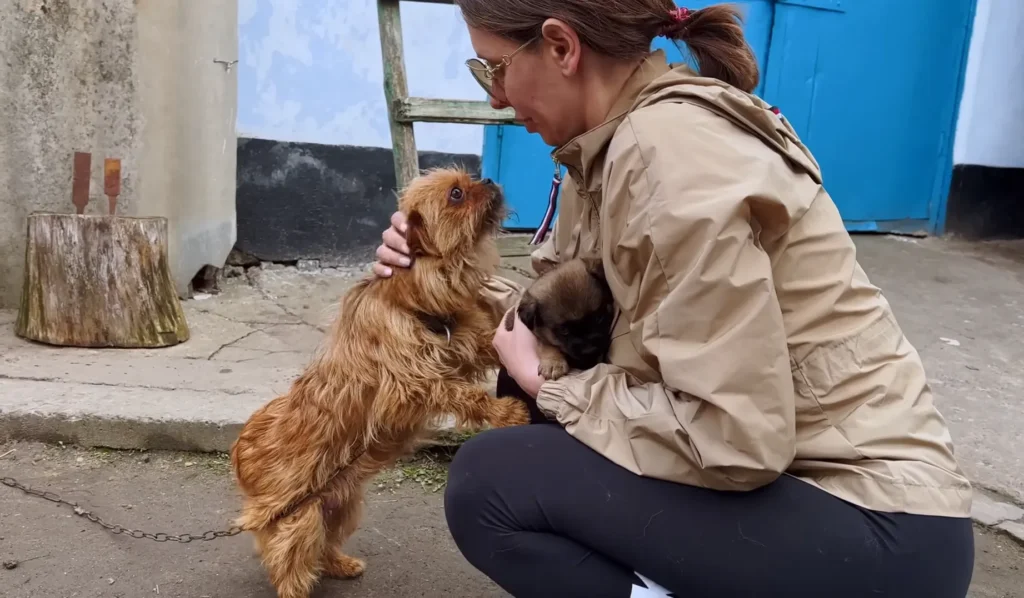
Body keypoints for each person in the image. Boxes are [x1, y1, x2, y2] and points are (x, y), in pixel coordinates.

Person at [372, 2, 976, 596]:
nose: (495, 97)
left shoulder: (668, 156)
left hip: (875, 521)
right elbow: (555, 310)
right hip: (807, 490)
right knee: (534, 417)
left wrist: (552, 386)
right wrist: (436, 278)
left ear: (561, 47)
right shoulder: (604, 148)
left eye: (494, 68)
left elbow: (737, 438)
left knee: (493, 482)